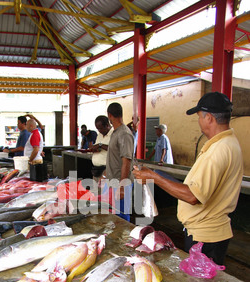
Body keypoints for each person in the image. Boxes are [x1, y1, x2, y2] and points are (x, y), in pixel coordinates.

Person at [133, 91, 243, 265]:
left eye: (199, 116)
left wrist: (153, 176)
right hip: (208, 233)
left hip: (205, 237)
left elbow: (193, 196)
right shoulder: (229, 142)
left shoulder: (218, 150)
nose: (199, 121)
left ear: (209, 119)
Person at [104, 102, 134, 221]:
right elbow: (114, 157)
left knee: (122, 216)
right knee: (114, 215)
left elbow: (126, 162)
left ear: (109, 115)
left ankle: (124, 239)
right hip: (113, 181)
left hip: (121, 183)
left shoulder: (124, 134)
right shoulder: (116, 132)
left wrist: (122, 187)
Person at [90, 115, 113, 181]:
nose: (99, 131)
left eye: (100, 128)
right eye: (97, 129)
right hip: (96, 170)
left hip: (106, 170)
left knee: (104, 190)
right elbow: (98, 146)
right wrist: (94, 148)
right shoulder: (99, 134)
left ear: (107, 125)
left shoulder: (114, 134)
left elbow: (114, 149)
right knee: (95, 191)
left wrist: (100, 145)